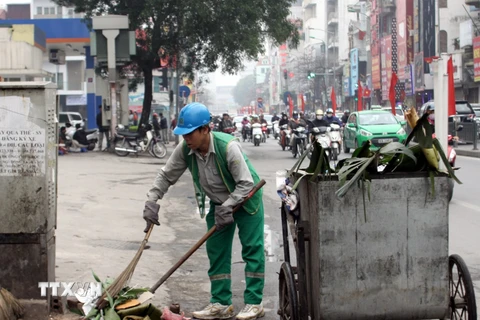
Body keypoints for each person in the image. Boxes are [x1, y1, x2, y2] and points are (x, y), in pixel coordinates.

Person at [143, 103, 265, 320]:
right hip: (219, 203)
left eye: (190, 133)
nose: (186, 138)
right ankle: (221, 303)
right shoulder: (186, 150)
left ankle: (254, 303)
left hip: (246, 200)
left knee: (252, 250)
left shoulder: (228, 147)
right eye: (183, 134)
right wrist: (152, 201)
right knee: (216, 250)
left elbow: (246, 184)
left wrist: (230, 206)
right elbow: (166, 175)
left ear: (205, 129)